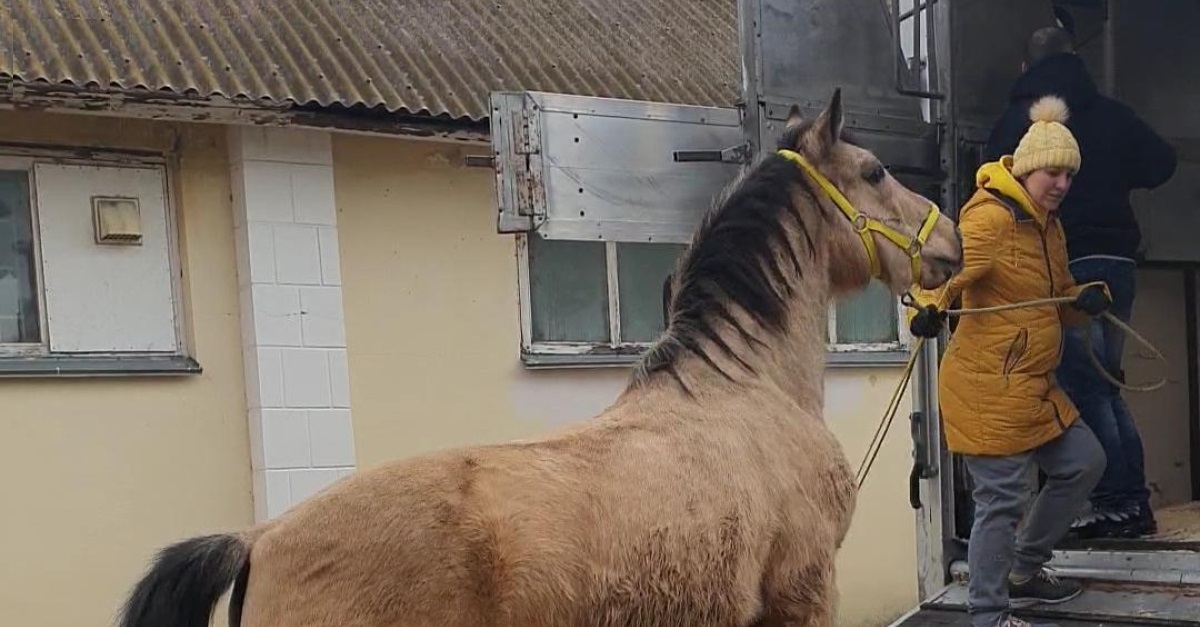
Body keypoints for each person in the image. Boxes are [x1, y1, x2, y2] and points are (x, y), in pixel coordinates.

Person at [909, 95, 1108, 627]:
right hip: (986, 388)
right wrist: (928, 308)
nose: (1061, 184)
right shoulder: (992, 218)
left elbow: (1057, 294)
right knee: (1003, 500)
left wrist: (1085, 297)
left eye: (1068, 174)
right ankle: (989, 614)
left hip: (1030, 386)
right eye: (1052, 172)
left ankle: (1023, 569)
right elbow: (945, 272)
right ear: (1026, 168)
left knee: (1084, 461)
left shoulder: (1047, 224)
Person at [983, 26, 1177, 539]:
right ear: (1076, 61)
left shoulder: (1016, 124)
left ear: (1026, 70)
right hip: (1119, 261)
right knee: (1107, 385)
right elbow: (1163, 162)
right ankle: (1127, 501)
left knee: (1085, 388)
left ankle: (1118, 504)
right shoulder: (1111, 115)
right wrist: (1113, 176)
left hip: (1068, 265)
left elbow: (992, 185)